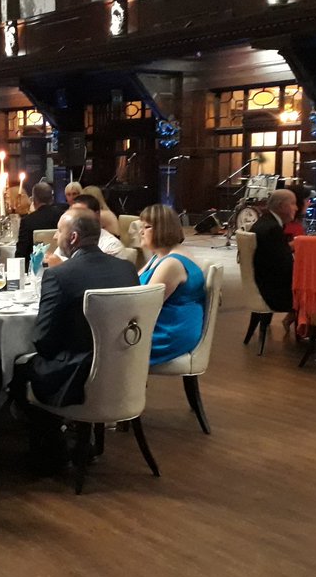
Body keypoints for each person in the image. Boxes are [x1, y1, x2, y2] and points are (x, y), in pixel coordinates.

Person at [14, 208, 138, 469]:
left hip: (77, 375)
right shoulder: (127, 269)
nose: (55, 236)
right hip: (124, 371)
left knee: (19, 368)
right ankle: (74, 436)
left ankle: (52, 449)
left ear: (72, 237)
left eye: (59, 231)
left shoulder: (59, 275)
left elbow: (43, 341)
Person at [137, 204, 206, 365]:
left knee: (102, 346)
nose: (141, 232)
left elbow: (144, 305)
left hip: (169, 333)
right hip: (164, 324)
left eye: (146, 227)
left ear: (163, 229)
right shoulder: (160, 256)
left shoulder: (171, 264)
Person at [249, 189, 296, 313]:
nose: (296, 208)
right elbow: (285, 267)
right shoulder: (273, 229)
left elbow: (273, 254)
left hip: (264, 284)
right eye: (293, 203)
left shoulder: (264, 222)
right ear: (281, 206)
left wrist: (291, 246)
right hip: (276, 293)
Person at [44, 194, 126, 265]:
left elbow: (102, 275)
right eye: (72, 213)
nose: (74, 219)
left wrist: (61, 267)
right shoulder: (68, 239)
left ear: (97, 215)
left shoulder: (112, 246)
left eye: (81, 214)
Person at [14, 182, 65, 259]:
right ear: (52, 199)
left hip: (35, 264)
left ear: (34, 200)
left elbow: (21, 253)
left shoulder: (28, 221)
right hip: (61, 262)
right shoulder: (63, 217)